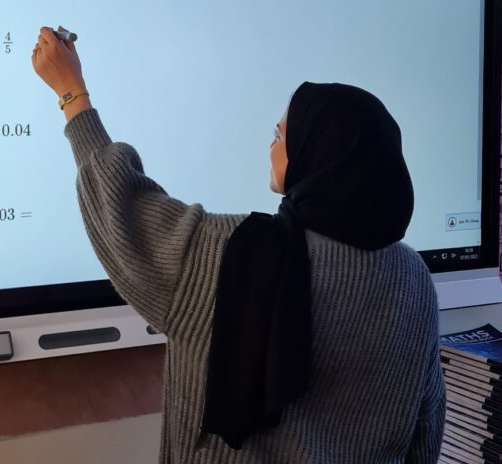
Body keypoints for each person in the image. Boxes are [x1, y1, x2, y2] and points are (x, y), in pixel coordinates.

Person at [32, 26, 445, 464]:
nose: (271, 144)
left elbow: (125, 212)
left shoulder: (230, 256)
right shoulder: (413, 278)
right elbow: (426, 423)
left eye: (283, 134)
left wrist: (71, 93)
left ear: (317, 154)